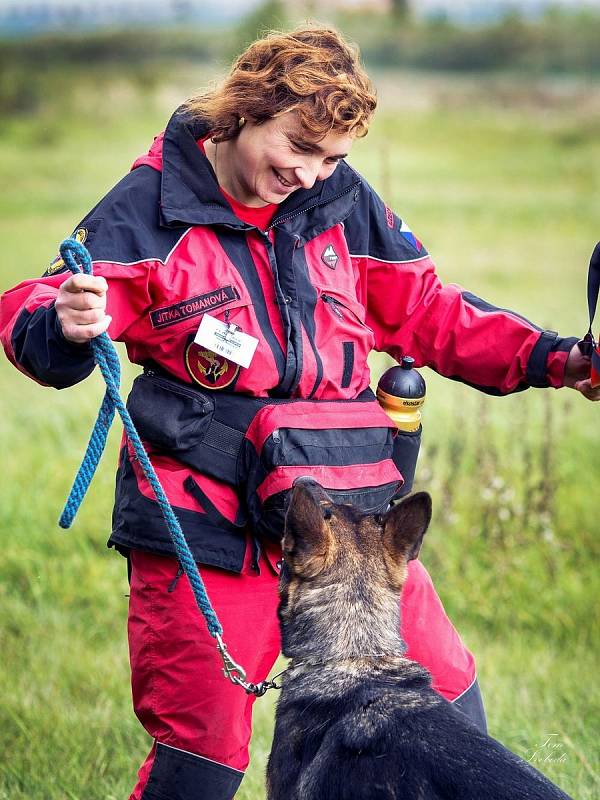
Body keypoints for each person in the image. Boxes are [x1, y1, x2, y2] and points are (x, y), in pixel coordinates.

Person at [0, 25, 597, 800]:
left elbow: (430, 313)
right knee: (200, 765)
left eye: (333, 159)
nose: (313, 176)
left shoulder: (343, 204)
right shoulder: (147, 207)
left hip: (352, 528)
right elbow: (39, 309)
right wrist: (65, 324)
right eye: (298, 147)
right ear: (246, 110)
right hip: (210, 526)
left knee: (451, 717)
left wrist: (561, 359)